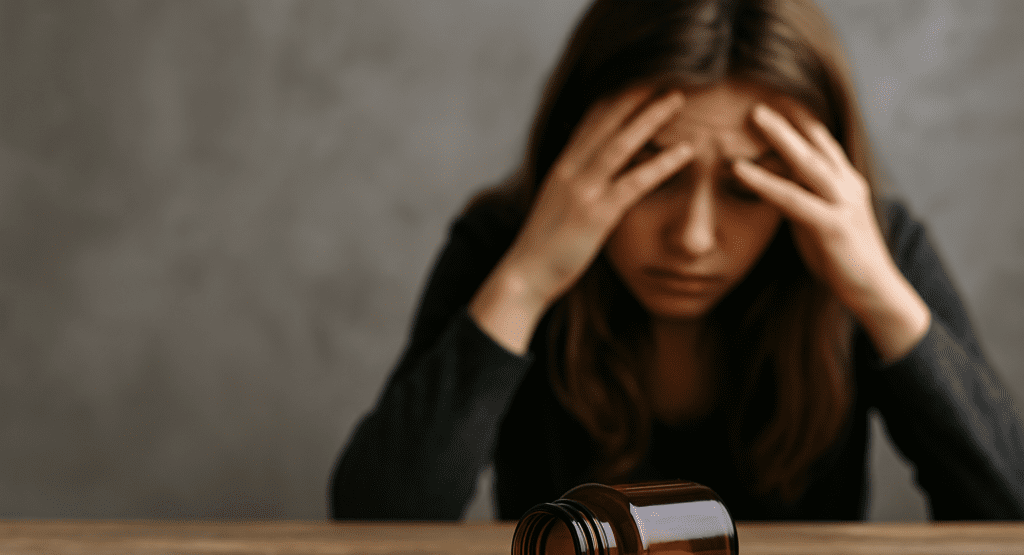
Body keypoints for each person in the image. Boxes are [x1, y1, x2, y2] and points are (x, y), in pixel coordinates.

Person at [330, 0, 1024, 520]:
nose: (693, 238)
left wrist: (877, 293)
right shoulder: (508, 243)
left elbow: (1009, 510)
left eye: (748, 189)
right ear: (576, 154)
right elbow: (374, 518)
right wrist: (527, 281)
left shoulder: (868, 248)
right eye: (653, 175)